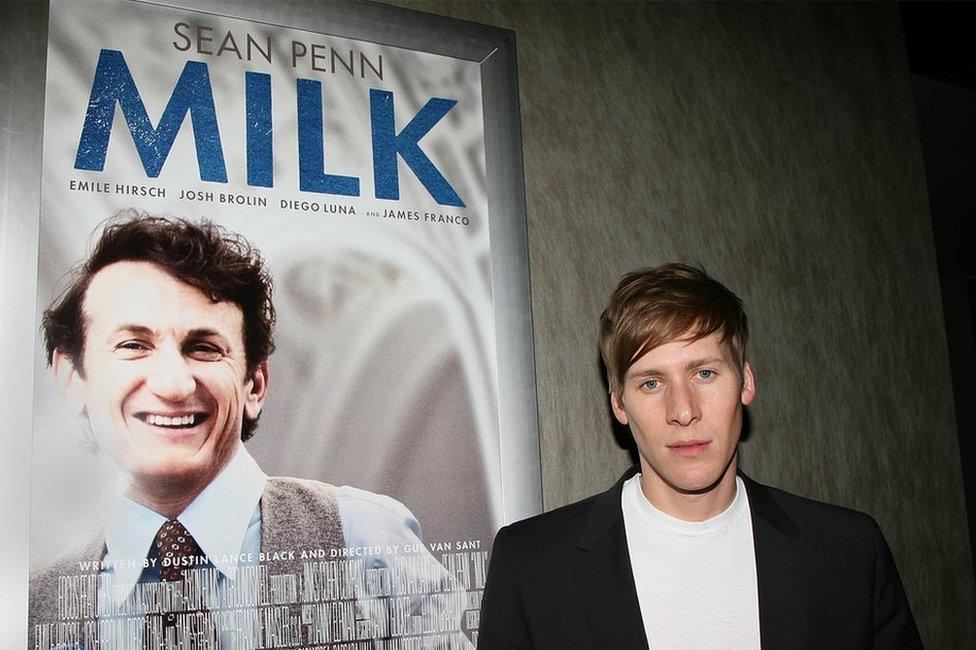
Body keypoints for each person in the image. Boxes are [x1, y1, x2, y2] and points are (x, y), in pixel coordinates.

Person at [29, 211, 470, 648]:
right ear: (72, 379)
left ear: (255, 385)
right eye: (133, 345)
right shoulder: (31, 606)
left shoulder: (365, 540)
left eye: (203, 348)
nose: (172, 384)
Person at [478, 263, 922, 649]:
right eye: (651, 383)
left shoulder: (848, 550)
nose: (683, 410)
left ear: (745, 383)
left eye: (705, 373)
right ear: (619, 404)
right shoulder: (532, 563)